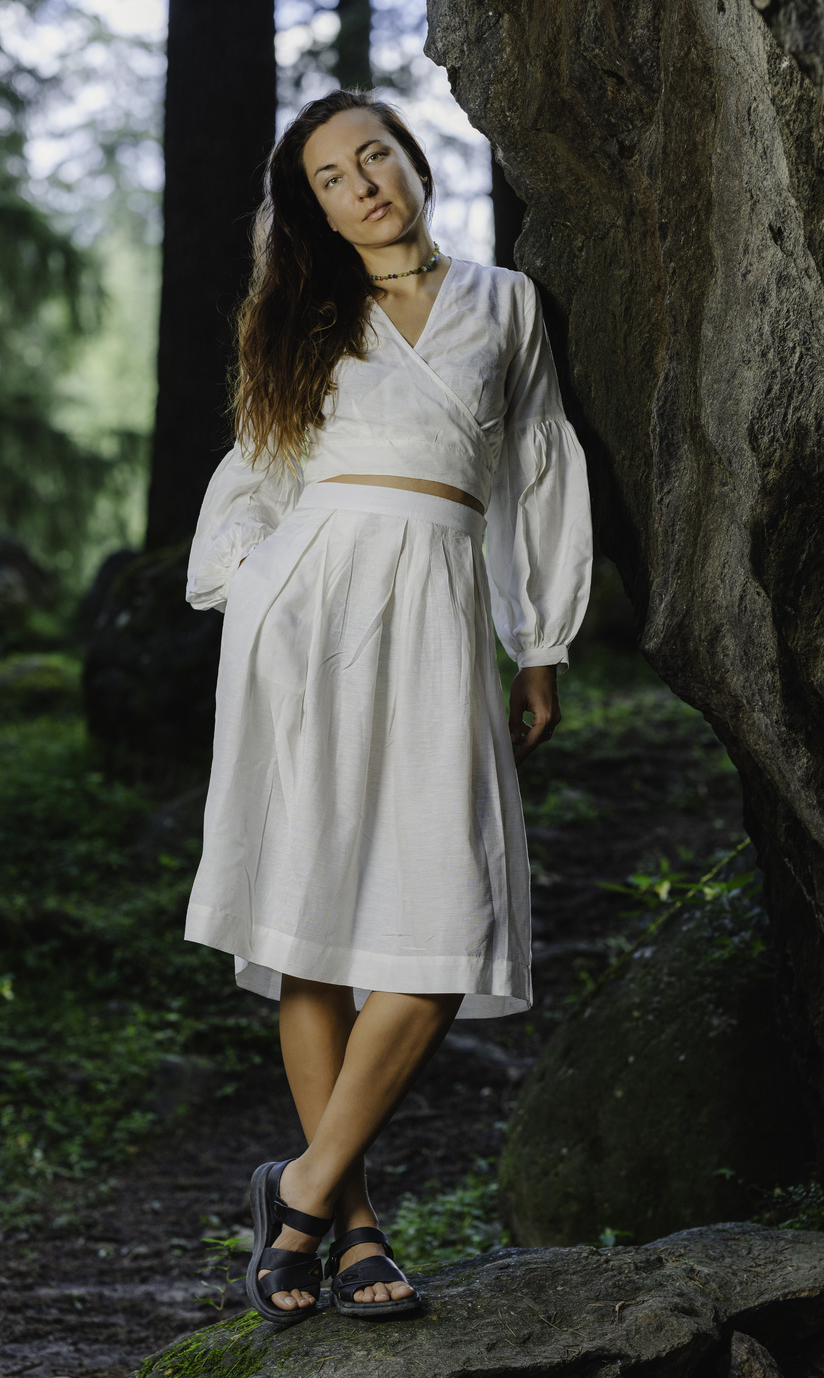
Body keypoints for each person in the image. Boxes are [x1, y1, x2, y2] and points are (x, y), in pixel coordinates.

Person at [183, 89, 592, 1325]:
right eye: (330, 175)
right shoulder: (303, 314)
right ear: (312, 208)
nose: (363, 181)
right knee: (310, 921)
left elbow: (536, 475)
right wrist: (256, 593)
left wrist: (541, 646)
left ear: (413, 162)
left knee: (445, 917)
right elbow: (251, 479)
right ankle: (348, 1229)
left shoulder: (503, 304)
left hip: (440, 608)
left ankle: (296, 1191)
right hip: (305, 614)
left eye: (376, 154)